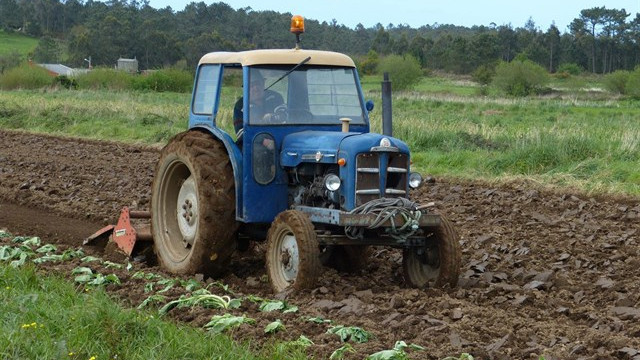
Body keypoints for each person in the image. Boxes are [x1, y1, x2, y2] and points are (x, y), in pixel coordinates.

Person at [233, 72, 284, 140]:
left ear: (263, 83)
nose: (256, 88)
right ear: (246, 88)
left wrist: (274, 117)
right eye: (251, 85)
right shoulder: (240, 105)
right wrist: (264, 141)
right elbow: (241, 133)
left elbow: (286, 116)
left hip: (278, 137)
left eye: (258, 84)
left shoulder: (275, 97)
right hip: (253, 143)